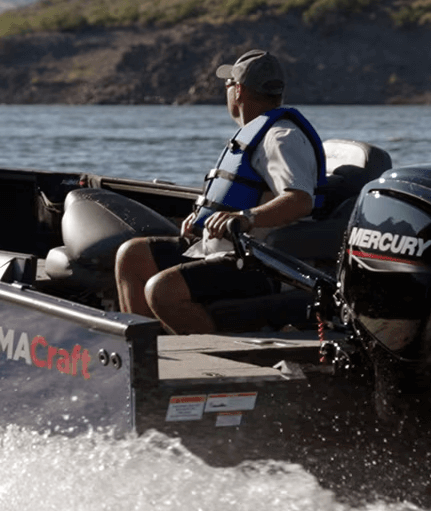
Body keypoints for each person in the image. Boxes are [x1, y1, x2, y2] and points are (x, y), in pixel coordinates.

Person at [115, 49, 325, 334]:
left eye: (227, 85)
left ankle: (215, 358)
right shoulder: (256, 133)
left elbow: (300, 201)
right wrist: (200, 222)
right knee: (133, 255)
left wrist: (245, 217)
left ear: (238, 91)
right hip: (224, 250)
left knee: (163, 290)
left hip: (262, 263)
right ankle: (144, 352)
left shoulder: (280, 138)